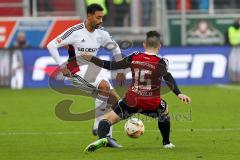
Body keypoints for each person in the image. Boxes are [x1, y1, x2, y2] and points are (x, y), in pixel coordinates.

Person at [82, 31, 191, 152]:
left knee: (106, 120)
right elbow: (168, 77)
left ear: (144, 45)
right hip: (151, 103)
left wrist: (93, 59)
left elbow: (112, 65)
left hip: (131, 101)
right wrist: (178, 93)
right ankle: (166, 142)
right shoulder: (162, 62)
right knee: (164, 111)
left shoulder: (134, 56)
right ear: (159, 46)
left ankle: (102, 138)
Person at [47, 4, 125, 141]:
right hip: (76, 69)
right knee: (105, 88)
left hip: (94, 68)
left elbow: (116, 48)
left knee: (114, 101)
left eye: (102, 17)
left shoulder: (102, 33)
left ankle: (107, 137)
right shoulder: (74, 31)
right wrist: (61, 66)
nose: (101, 21)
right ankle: (97, 126)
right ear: (89, 16)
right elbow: (52, 45)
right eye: (98, 17)